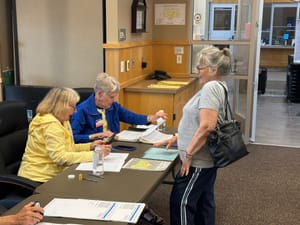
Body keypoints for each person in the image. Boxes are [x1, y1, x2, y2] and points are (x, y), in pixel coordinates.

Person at [154, 46, 231, 225]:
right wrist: (177, 137)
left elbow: (206, 126)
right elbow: (197, 122)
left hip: (197, 161)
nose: (197, 72)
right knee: (204, 202)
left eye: (200, 68)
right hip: (205, 159)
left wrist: (188, 155)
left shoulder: (211, 87)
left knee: (181, 202)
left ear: (213, 70)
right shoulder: (217, 86)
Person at [18, 87, 111, 183]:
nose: (75, 111)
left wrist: (90, 146)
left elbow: (68, 148)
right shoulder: (50, 124)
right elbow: (60, 157)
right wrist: (95, 155)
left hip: (55, 175)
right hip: (39, 179)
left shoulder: (62, 120)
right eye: (73, 107)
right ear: (61, 106)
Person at [71, 72, 167, 143]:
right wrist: (94, 136)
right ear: (100, 94)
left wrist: (152, 117)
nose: (113, 100)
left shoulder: (113, 107)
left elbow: (131, 117)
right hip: (93, 150)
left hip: (113, 146)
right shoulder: (81, 110)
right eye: (111, 97)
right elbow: (73, 137)